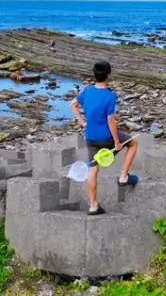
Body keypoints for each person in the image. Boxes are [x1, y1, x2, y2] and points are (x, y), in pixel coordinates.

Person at [70, 60, 139, 215]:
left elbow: (73, 105)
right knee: (133, 142)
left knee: (93, 170)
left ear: (94, 75)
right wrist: (116, 141)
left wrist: (81, 121)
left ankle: (93, 206)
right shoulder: (110, 96)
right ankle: (123, 176)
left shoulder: (87, 91)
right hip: (106, 137)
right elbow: (110, 120)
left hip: (90, 137)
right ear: (109, 76)